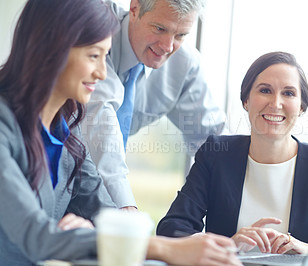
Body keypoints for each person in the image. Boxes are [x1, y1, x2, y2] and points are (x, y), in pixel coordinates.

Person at [0, 0, 241, 265]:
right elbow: (37, 235)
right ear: (51, 48)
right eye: (94, 56)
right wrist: (162, 247)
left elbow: (106, 210)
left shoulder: (66, 133)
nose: (103, 72)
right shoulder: (7, 126)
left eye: (105, 56)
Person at [156, 52, 308, 265]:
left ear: (302, 106)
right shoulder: (217, 154)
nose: (276, 103)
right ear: (246, 100)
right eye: (265, 90)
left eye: (289, 93)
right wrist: (227, 245)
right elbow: (172, 230)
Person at [80, 0, 226, 209]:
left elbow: (213, 140)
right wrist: (127, 210)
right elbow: (101, 123)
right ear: (134, 9)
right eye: (159, 29)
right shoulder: (98, 32)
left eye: (180, 35)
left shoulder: (184, 65)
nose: (167, 47)